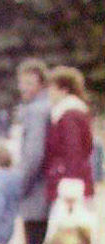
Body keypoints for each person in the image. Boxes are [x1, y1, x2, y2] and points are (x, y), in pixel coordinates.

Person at [15, 59, 61, 244]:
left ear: (42, 84)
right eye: (22, 82)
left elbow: (33, 154)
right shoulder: (47, 106)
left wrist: (19, 184)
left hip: (37, 189)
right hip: (47, 188)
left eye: (30, 82)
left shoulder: (35, 110)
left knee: (37, 243)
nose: (24, 87)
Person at [44, 66, 94, 205]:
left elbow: (73, 151)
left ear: (64, 90)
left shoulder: (69, 115)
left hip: (69, 186)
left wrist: (70, 186)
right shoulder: (72, 112)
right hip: (72, 180)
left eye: (52, 88)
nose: (49, 93)